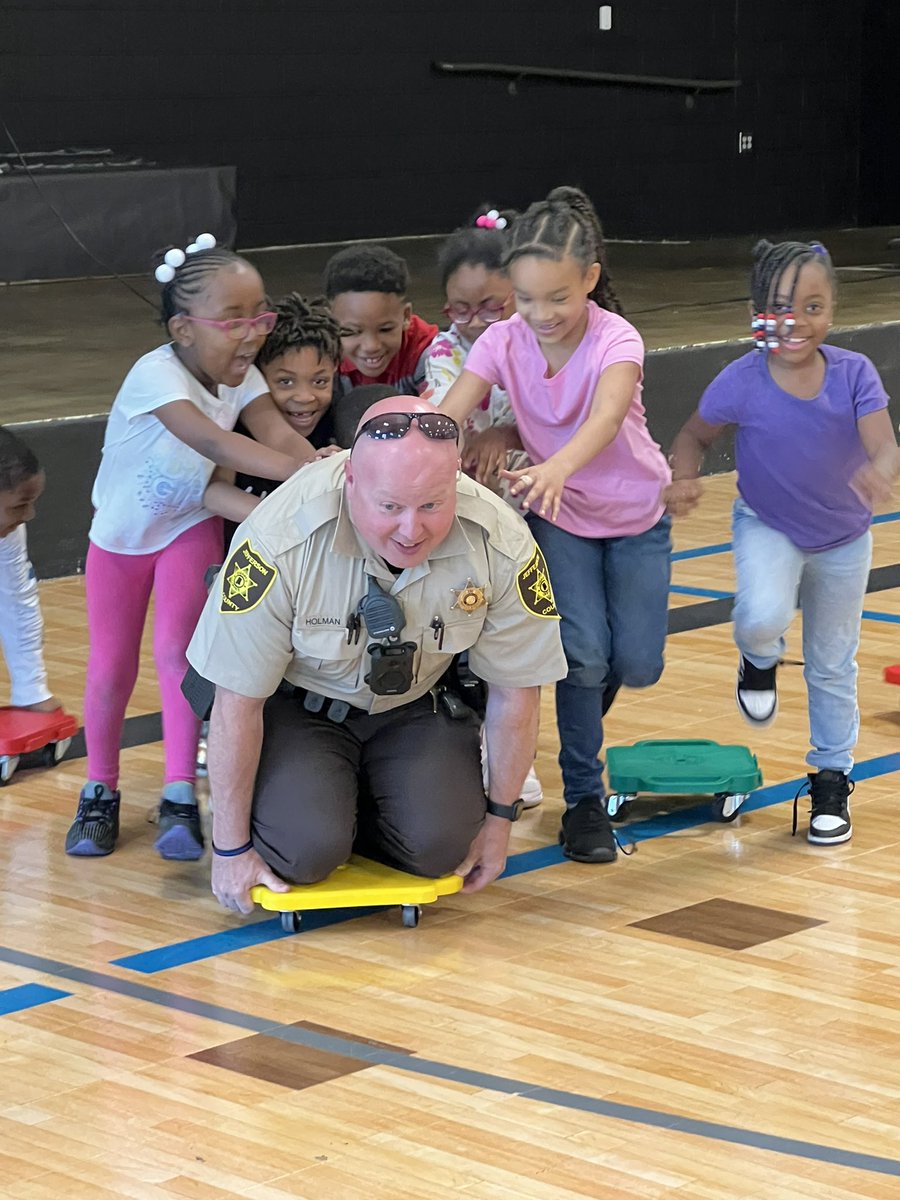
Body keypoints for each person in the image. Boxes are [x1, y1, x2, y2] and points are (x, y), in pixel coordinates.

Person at [185, 398, 568, 915]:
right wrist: (230, 850)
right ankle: (323, 808)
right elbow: (235, 701)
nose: (411, 530)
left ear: (455, 479)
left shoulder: (499, 540)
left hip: (414, 705)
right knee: (304, 852)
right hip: (300, 708)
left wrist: (499, 823)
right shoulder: (279, 538)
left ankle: (354, 801)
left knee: (442, 849)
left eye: (432, 505)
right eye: (390, 507)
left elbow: (517, 690)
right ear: (350, 478)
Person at [438, 186, 672, 866]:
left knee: (637, 662)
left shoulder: (616, 338)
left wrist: (558, 465)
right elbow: (452, 406)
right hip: (561, 519)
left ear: (590, 279)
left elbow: (604, 417)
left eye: (559, 298)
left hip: (634, 517)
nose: (542, 314)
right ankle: (584, 802)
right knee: (580, 659)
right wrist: (389, 450)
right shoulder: (505, 340)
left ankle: (572, 733)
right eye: (528, 298)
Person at [66, 236, 316, 862]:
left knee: (182, 656)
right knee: (112, 667)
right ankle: (101, 789)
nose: (253, 333)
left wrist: (323, 468)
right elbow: (221, 447)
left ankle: (180, 794)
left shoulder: (245, 378)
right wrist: (321, 480)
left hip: (188, 522)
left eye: (261, 315)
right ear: (182, 329)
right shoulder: (156, 377)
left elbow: (277, 433)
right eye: (233, 320)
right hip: (121, 541)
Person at [665, 238, 898, 846]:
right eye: (780, 308)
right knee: (760, 616)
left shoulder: (854, 374)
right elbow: (694, 433)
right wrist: (684, 474)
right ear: (755, 312)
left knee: (831, 662)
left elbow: (885, 442)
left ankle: (830, 777)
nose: (796, 323)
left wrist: (883, 469)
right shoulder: (741, 379)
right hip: (768, 523)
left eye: (813, 307)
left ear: (832, 311)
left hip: (846, 539)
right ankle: (759, 658)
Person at [424, 206, 544, 807]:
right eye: (460, 309)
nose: (474, 322)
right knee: (466, 644)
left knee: (519, 648)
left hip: (531, 515)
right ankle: (477, 758)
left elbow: (556, 421)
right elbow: (449, 414)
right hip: (468, 523)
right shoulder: (446, 352)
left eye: (492, 307)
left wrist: (509, 436)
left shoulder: (540, 344)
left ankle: (514, 764)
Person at [204, 292, 344, 534]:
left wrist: (342, 468)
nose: (304, 397)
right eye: (286, 382)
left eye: (320, 381)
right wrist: (284, 522)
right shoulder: (237, 423)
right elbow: (214, 492)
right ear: (257, 379)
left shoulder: (338, 422)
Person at [0, 427, 61, 714]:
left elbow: (18, 602)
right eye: (20, 505)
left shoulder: (8, 532)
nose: (29, 516)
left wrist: (31, 689)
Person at [324, 244, 437, 397]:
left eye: (385, 329)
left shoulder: (431, 352)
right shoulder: (318, 355)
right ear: (330, 322)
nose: (371, 346)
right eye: (351, 332)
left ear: (406, 316)